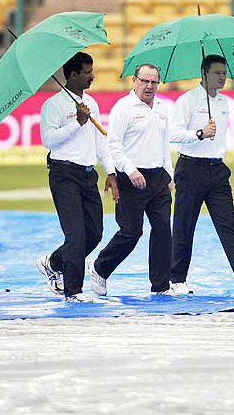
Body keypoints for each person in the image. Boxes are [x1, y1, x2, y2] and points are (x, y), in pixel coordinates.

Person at [168, 54, 234, 294]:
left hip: (218, 170)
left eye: (224, 73)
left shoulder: (224, 103)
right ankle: (176, 280)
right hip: (191, 168)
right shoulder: (187, 100)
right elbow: (172, 133)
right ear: (204, 74)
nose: (223, 77)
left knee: (228, 224)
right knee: (184, 226)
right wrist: (199, 133)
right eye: (217, 73)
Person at [36, 52, 118, 303]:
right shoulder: (53, 105)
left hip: (87, 175)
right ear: (72, 75)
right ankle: (73, 291)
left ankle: (54, 262)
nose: (92, 76)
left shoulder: (91, 103)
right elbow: (48, 140)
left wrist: (111, 171)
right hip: (64, 175)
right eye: (87, 72)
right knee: (76, 235)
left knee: (94, 234)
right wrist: (78, 122)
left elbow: (100, 140)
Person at [89, 63, 175, 296]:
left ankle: (161, 286)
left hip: (158, 178)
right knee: (131, 232)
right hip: (131, 179)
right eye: (144, 81)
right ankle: (99, 267)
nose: (149, 86)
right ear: (134, 80)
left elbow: (164, 143)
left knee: (163, 232)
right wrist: (130, 170)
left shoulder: (162, 108)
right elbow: (113, 144)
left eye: (154, 82)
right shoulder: (123, 107)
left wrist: (169, 174)